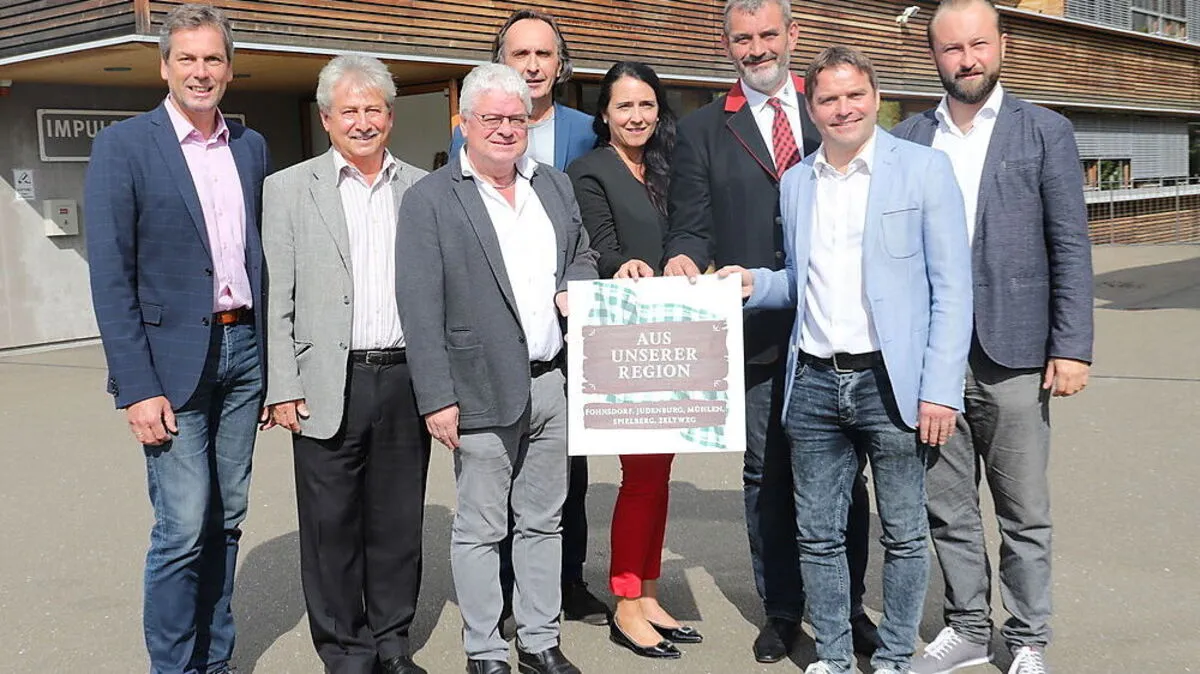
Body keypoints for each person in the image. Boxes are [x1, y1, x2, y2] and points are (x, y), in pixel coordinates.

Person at [725, 45, 973, 674]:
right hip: (811, 380)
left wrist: (940, 388)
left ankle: (892, 658)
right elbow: (798, 278)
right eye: (828, 99)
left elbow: (952, 287)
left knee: (904, 534)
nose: (843, 109)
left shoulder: (922, 170)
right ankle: (834, 656)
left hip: (892, 383)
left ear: (875, 97)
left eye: (854, 95)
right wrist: (755, 283)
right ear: (811, 107)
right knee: (818, 534)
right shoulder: (797, 181)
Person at [663, 0, 878, 662]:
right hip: (754, 331)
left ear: (793, 35)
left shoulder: (834, 110)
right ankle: (782, 609)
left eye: (766, 35)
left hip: (838, 326)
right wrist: (681, 251)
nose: (755, 49)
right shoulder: (701, 129)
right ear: (727, 45)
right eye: (742, 39)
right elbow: (691, 219)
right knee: (766, 474)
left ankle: (846, 607)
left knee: (845, 477)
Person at [892, 2, 1094, 673]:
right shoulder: (910, 136)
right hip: (933, 361)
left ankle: (1028, 636)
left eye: (979, 44)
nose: (967, 59)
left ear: (1001, 44)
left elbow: (1069, 244)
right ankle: (970, 629)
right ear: (934, 56)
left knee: (1022, 511)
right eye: (952, 49)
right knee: (946, 507)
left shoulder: (1046, 131)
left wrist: (1073, 345)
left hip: (1015, 353)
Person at [83, 4, 270, 673]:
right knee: (183, 528)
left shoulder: (249, 147)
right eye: (186, 59)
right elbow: (112, 277)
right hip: (170, 365)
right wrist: (136, 388)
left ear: (229, 68)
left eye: (212, 59)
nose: (200, 71)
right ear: (163, 66)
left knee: (228, 521)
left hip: (243, 354)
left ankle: (215, 663)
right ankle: (175, 668)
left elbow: (257, 260)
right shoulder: (124, 147)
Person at [395, 63, 598, 674]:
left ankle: (539, 639)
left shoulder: (554, 185)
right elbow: (419, 305)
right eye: (493, 118)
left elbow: (581, 254)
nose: (507, 130)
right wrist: (435, 397)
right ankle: (485, 650)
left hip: (552, 383)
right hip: (476, 387)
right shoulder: (431, 198)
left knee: (544, 521)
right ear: (465, 123)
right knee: (481, 528)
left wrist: (575, 287)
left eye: (518, 118)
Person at [261, 54, 431, 674]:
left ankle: (392, 644)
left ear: (390, 116)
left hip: (406, 378)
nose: (363, 121)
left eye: (374, 110)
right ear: (326, 119)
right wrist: (281, 385)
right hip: (326, 382)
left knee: (397, 523)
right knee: (330, 527)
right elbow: (277, 296)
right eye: (349, 111)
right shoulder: (287, 188)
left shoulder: (421, 188)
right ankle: (345, 651)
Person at [450, 8, 607, 628]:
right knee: (496, 478)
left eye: (544, 55)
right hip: (494, 341)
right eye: (521, 54)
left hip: (566, 334)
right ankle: (505, 598)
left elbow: (588, 229)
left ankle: (565, 583)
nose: (534, 65)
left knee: (568, 474)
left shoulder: (585, 131)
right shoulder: (478, 129)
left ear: (560, 65)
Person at [565, 61, 696, 661]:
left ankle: (645, 593)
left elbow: (691, 232)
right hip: (626, 339)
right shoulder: (588, 170)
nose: (637, 116)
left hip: (675, 337)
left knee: (657, 476)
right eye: (624, 106)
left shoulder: (668, 166)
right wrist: (623, 266)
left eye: (646, 105)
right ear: (605, 114)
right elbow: (598, 244)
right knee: (641, 478)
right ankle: (624, 602)